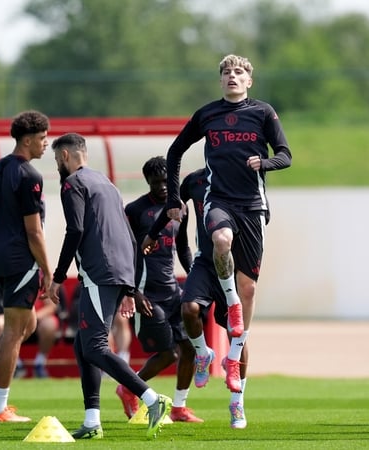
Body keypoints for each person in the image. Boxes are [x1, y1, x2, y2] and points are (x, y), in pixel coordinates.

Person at [164, 54, 292, 394]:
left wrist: (264, 162)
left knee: (249, 289)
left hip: (253, 207)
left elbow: (286, 155)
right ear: (220, 81)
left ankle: (233, 360)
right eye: (226, 72)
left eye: (239, 72)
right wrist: (173, 199)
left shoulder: (263, 112)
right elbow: (174, 152)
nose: (232, 76)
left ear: (249, 81)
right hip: (218, 201)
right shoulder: (207, 114)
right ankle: (230, 305)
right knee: (221, 239)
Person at [46, 133, 171, 440]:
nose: (56, 165)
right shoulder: (106, 183)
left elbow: (74, 229)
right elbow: (129, 236)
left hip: (99, 272)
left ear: (64, 156)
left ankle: (152, 400)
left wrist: (58, 276)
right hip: (117, 271)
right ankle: (91, 422)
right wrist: (129, 285)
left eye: (55, 159)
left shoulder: (72, 183)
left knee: (95, 346)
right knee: (83, 345)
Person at [0, 109, 57, 423]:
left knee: (27, 325)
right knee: (15, 331)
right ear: (28, 139)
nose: (47, 144)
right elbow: (34, 230)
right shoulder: (30, 175)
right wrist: (48, 269)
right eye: (43, 138)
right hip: (22, 260)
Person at [145, 167, 251, 429]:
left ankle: (237, 403)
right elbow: (173, 208)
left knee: (237, 334)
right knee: (189, 309)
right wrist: (153, 233)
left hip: (235, 262)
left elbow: (260, 214)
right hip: (205, 261)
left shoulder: (242, 176)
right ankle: (203, 354)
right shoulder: (194, 181)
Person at [115, 156, 200, 423]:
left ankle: (179, 407)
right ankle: (129, 387)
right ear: (147, 182)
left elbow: (183, 247)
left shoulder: (180, 209)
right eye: (157, 182)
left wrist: (195, 277)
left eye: (166, 181)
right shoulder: (135, 210)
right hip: (146, 294)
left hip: (173, 291)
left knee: (189, 350)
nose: (163, 187)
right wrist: (132, 292)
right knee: (169, 353)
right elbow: (122, 252)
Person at [0, 296, 60, 379]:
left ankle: (40, 364)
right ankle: (17, 365)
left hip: (39, 318)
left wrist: (34, 318)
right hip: (14, 316)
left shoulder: (42, 283)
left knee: (49, 325)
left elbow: (51, 307)